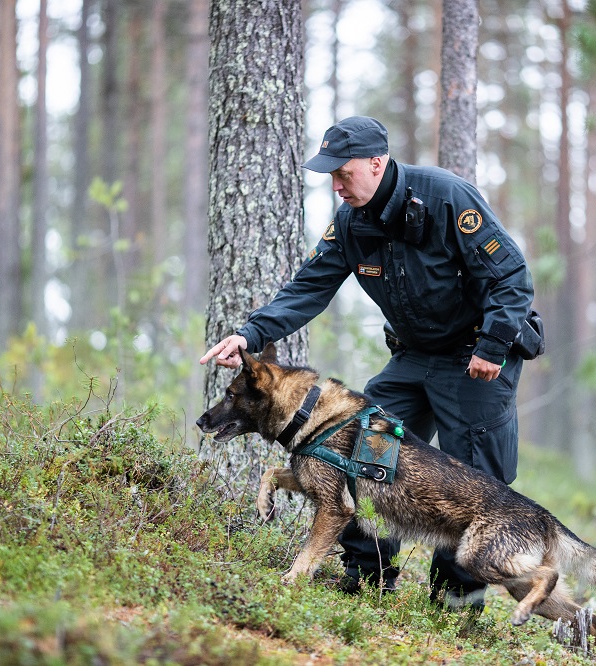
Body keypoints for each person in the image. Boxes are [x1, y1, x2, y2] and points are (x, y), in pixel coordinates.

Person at [200, 116, 535, 613]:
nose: (336, 184)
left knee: (472, 475)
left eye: (344, 173)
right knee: (360, 443)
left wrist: (493, 346)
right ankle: (367, 578)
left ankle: (457, 603)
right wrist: (251, 333)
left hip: (475, 353)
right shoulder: (350, 222)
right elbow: (309, 287)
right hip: (415, 353)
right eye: (330, 175)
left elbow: (511, 276)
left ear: (377, 164)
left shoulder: (445, 197)